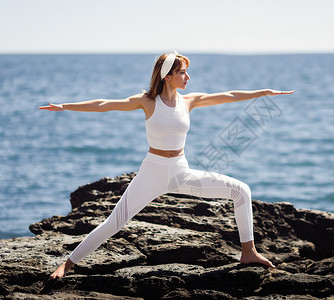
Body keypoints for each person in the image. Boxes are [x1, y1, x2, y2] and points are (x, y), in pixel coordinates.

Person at [40, 51, 294, 279]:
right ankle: (67, 265)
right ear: (167, 76)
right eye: (182, 72)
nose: (187, 77)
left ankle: (248, 252)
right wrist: (65, 106)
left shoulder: (189, 101)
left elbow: (227, 96)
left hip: (180, 173)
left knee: (242, 190)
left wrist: (263, 92)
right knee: (113, 223)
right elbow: (105, 104)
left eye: (186, 71)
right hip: (152, 173)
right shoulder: (147, 101)